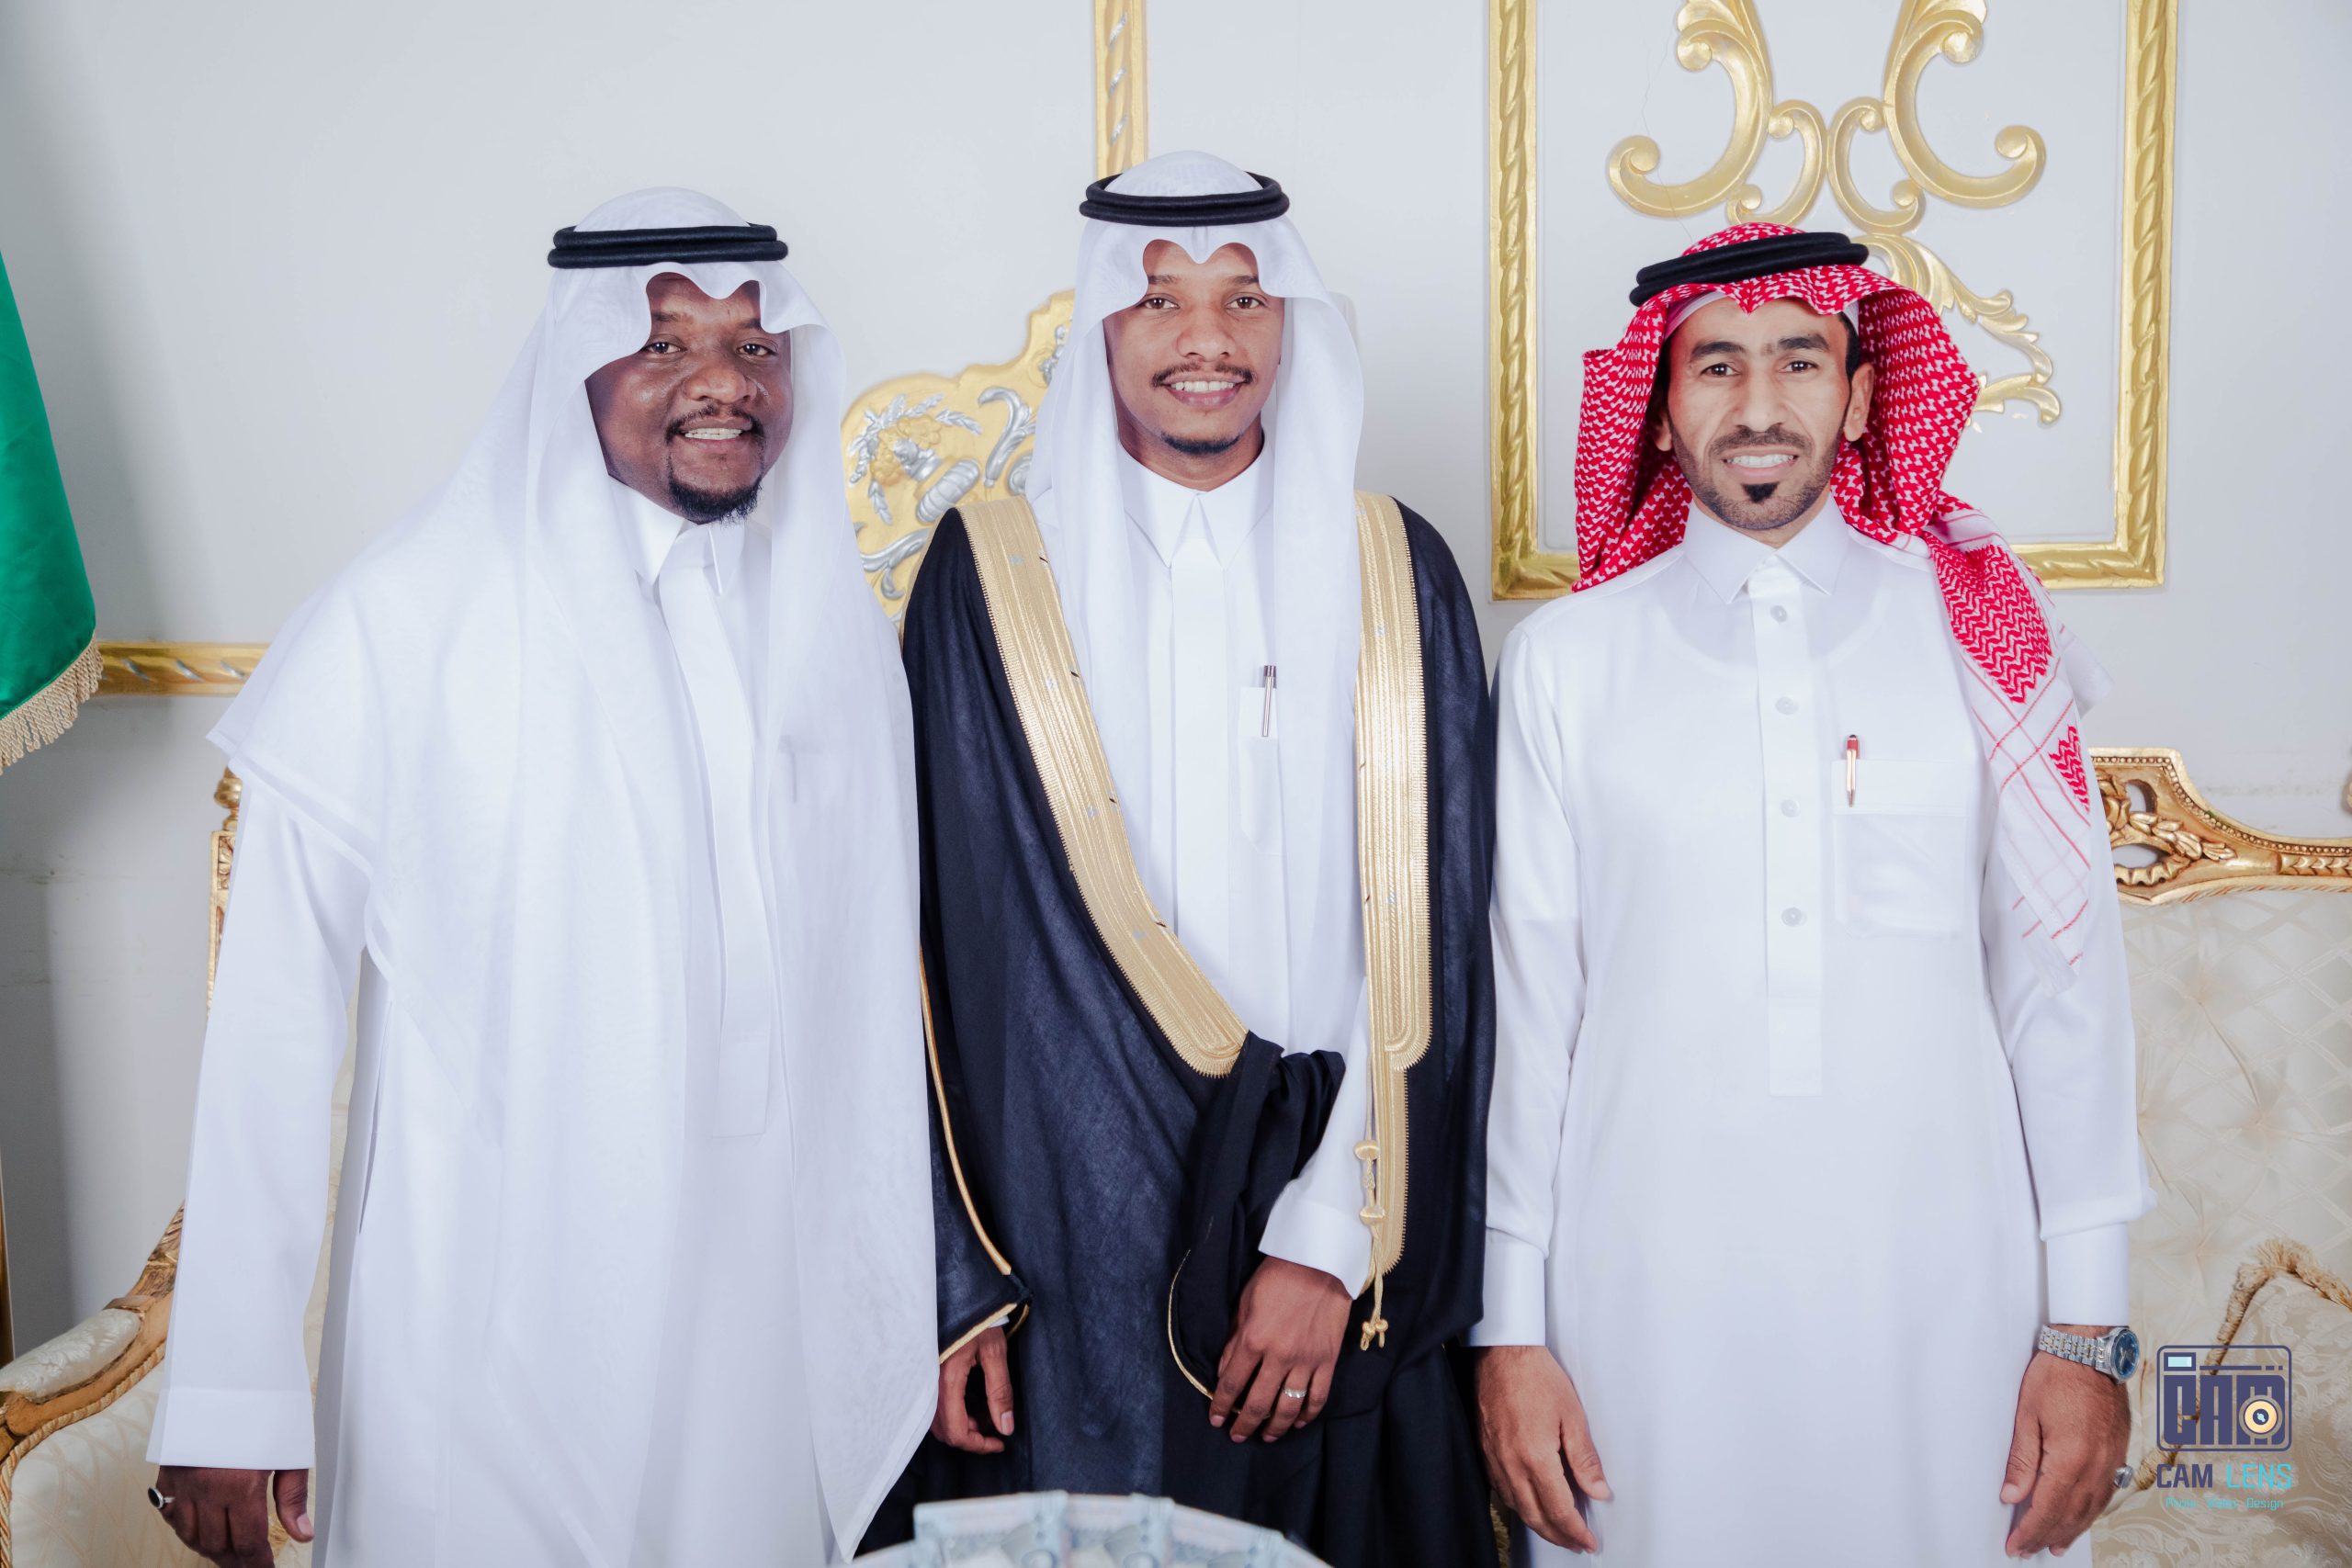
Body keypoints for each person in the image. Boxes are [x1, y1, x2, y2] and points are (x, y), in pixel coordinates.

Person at [145, 189, 934, 1567]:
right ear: (577, 366)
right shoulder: (415, 618)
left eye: (755, 347)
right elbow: (274, 1021)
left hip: (764, 1316)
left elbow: (892, 1002)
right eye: (665, 344)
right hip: (493, 1303)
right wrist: (232, 1385)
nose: (722, 383)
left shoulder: (832, 631)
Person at [1471, 223, 2153, 1565]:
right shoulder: (1564, 661)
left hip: (1949, 1299)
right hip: (1640, 1307)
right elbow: (1529, 1020)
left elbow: (2064, 996)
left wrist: (2088, 1332)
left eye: (1799, 359)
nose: (1759, 404)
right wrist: (1510, 1331)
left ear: (1860, 392)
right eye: (1716, 365)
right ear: (1661, 403)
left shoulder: (1977, 629)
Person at [879, 152, 1499, 1566]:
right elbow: (923, 953)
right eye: (1160, 300)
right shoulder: (992, 576)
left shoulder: (1395, 571)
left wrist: (1329, 1239)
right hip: (1066, 1251)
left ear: (1292, 325)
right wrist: (955, 1284)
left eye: (1245, 299)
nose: (1205, 340)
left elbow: (1443, 939)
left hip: (1339, 1243)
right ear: (1103, 323)